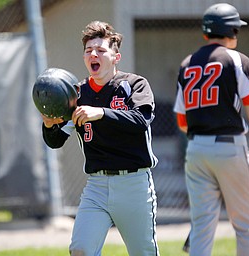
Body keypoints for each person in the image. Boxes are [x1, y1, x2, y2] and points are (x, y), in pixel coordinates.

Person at [41, 21, 159, 256]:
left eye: (101, 50)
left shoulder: (134, 84)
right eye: (88, 51)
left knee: (142, 252)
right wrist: (48, 124)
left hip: (133, 184)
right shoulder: (77, 93)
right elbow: (55, 141)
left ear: (116, 57)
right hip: (96, 186)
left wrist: (102, 113)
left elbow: (140, 120)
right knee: (80, 250)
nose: (94, 54)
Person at [173, 3, 249, 256]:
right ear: (233, 31)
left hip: (196, 150)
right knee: (245, 225)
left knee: (202, 226)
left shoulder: (187, 63)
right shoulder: (237, 59)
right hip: (229, 147)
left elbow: (182, 122)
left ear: (205, 33)